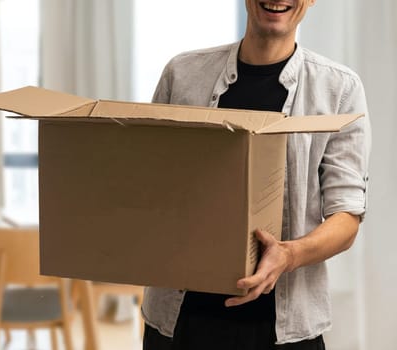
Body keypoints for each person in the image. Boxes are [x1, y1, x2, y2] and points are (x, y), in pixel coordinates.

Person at [141, 0, 371, 349]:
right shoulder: (183, 74)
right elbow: (149, 182)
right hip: (180, 322)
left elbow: (347, 216)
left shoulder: (339, 88)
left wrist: (290, 255)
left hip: (283, 330)